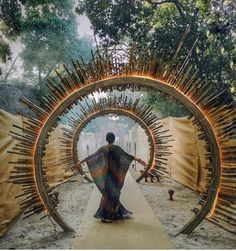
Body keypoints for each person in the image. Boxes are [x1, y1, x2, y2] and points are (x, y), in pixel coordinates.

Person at [76, 132, 146, 223]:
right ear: (113, 139)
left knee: (107, 194)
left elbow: (92, 157)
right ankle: (110, 215)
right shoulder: (117, 149)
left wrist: (80, 162)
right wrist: (140, 160)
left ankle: (108, 215)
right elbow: (128, 156)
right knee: (114, 194)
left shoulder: (103, 149)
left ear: (107, 139)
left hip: (106, 174)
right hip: (116, 175)